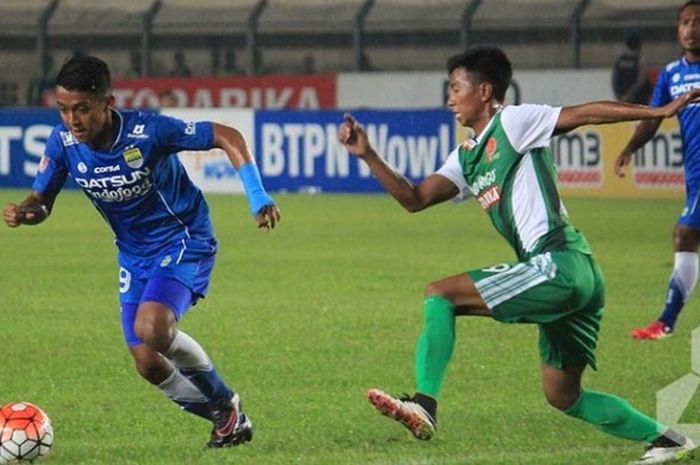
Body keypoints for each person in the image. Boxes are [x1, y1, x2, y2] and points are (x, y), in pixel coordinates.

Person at [339, 46, 700, 464]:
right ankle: (669, 439)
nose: (450, 98)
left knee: (440, 293)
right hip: (577, 275)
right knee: (564, 396)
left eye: (456, 88)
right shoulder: (468, 156)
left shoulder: (513, 122)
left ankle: (424, 404)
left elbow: (583, 114)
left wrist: (655, 113)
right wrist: (367, 154)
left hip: (558, 263)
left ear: (485, 90)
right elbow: (415, 198)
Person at [3, 55, 280, 448]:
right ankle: (230, 419)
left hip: (183, 237)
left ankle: (222, 402)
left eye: (82, 109)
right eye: (64, 109)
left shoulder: (148, 131)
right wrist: (27, 212)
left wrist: (257, 195)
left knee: (152, 328)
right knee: (148, 363)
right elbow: (41, 201)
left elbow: (228, 135)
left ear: (108, 103)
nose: (72, 120)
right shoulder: (63, 144)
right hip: (133, 254)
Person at [616, 1, 700, 340]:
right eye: (685, 22)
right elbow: (654, 118)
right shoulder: (671, 75)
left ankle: (665, 322)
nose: (691, 28)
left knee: (684, 235)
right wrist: (629, 148)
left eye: (697, 22)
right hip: (694, 177)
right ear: (678, 29)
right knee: (687, 237)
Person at [612, 31, 653, 104]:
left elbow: (615, 79)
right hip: (638, 98)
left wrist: (620, 95)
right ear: (640, 46)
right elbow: (641, 80)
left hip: (622, 97)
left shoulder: (620, 60)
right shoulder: (640, 60)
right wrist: (630, 94)